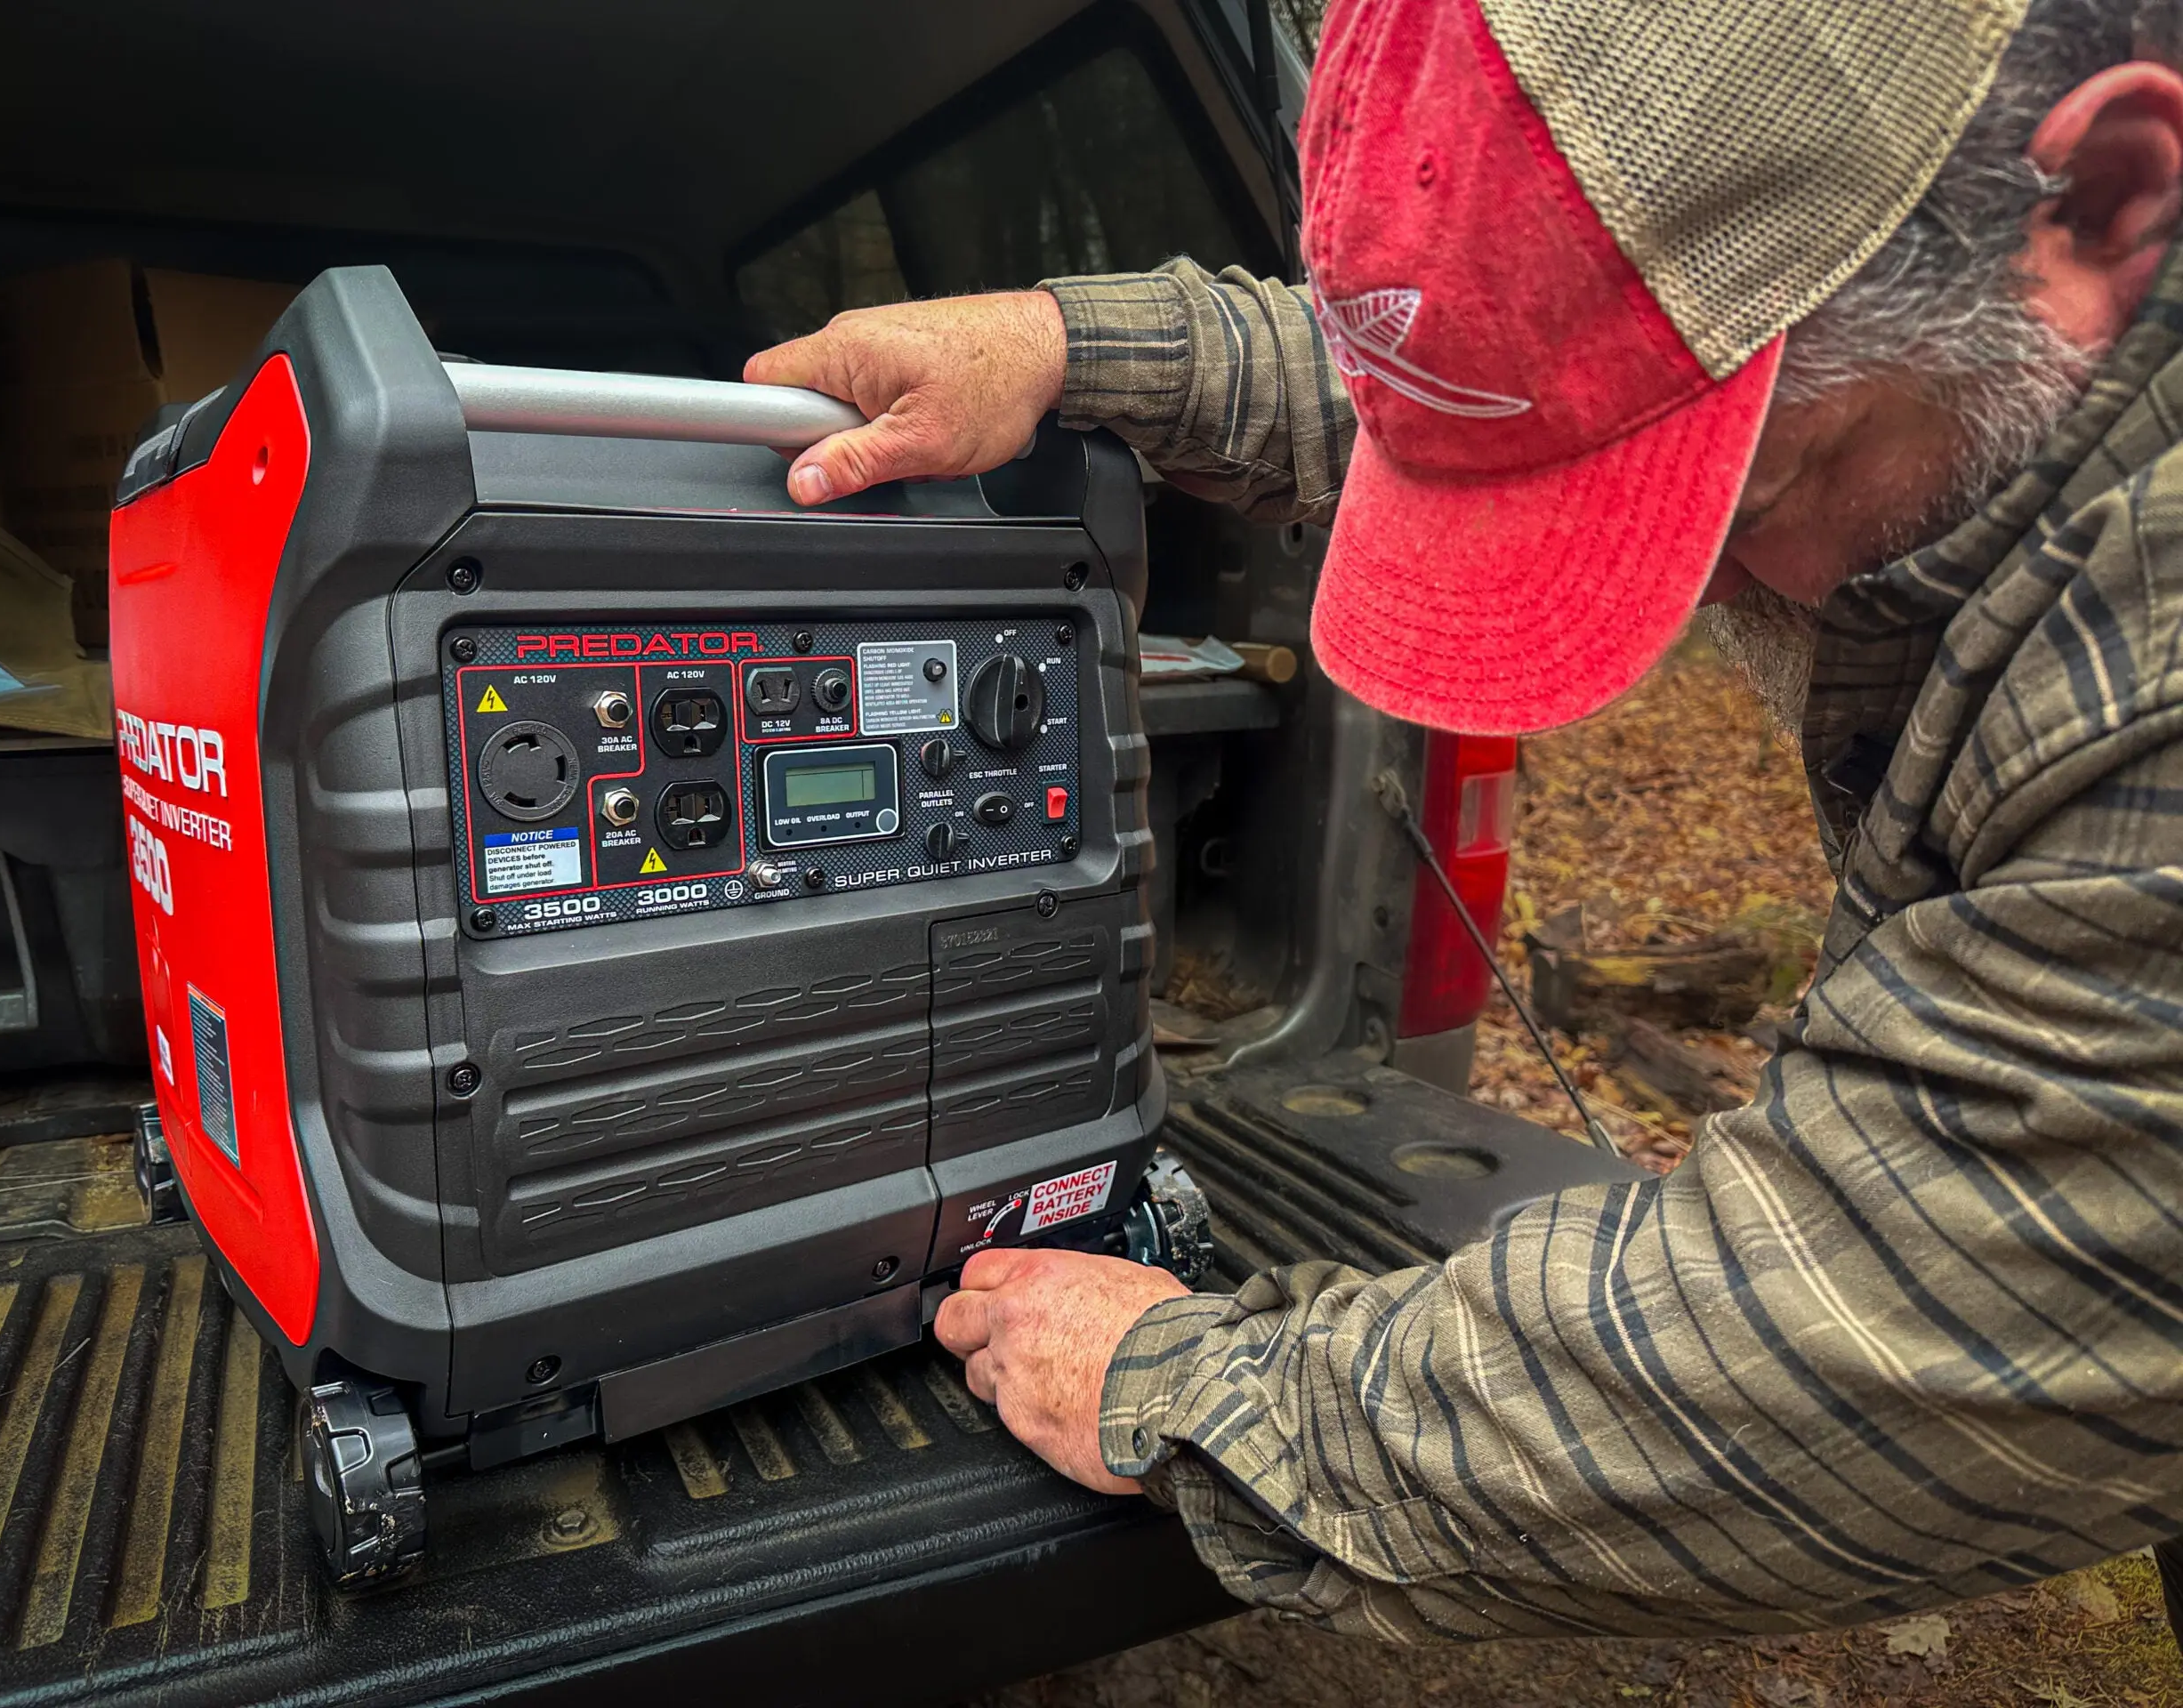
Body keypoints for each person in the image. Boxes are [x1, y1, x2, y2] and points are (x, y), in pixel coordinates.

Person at [748, 0, 2183, 1641]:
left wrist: (1191, 1391)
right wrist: (1070, 343)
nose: (1713, 583)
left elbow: (1910, 1336)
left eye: (1735, 488)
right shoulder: (1958, 358)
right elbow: (1494, 387)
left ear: (2105, 199)